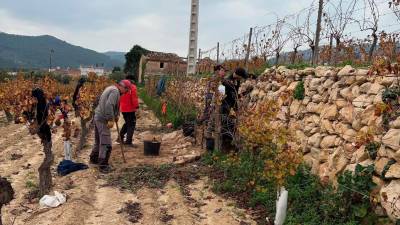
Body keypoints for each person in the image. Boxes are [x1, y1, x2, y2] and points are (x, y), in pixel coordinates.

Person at [89, 79, 131, 173]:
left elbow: (106, 104)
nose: (126, 92)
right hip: (103, 119)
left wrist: (115, 115)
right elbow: (109, 105)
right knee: (106, 143)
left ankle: (94, 159)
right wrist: (110, 118)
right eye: (127, 90)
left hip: (98, 116)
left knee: (98, 140)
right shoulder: (115, 91)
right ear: (122, 87)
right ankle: (103, 165)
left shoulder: (111, 88)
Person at [220, 67, 247, 149]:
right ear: (237, 74)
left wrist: (245, 93)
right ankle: (224, 144)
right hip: (224, 105)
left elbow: (234, 95)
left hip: (232, 104)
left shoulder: (237, 81)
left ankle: (229, 142)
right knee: (224, 123)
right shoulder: (225, 81)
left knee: (232, 123)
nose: (241, 79)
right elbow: (220, 95)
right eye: (241, 77)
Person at [119, 75, 139, 146]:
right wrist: (137, 107)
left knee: (127, 123)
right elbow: (134, 98)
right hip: (130, 109)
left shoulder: (121, 86)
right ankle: (128, 141)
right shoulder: (132, 87)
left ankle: (120, 137)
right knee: (131, 125)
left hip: (123, 109)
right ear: (132, 80)